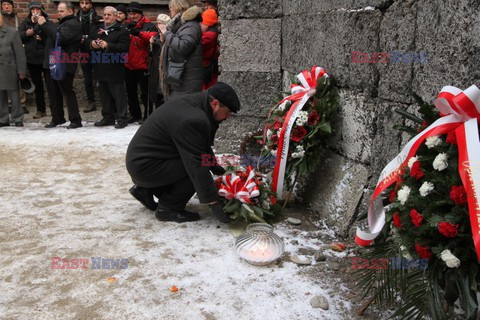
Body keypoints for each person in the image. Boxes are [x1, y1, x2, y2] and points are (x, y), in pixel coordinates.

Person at [125, 82, 240, 223]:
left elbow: (200, 145)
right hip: (145, 166)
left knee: (196, 164)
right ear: (215, 104)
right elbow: (196, 163)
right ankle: (168, 208)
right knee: (193, 170)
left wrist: (216, 168)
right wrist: (214, 202)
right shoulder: (193, 119)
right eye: (227, 112)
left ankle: (145, 190)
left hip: (144, 161)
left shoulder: (196, 104)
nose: (227, 117)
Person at [37, 1, 83, 129]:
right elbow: (47, 34)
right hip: (54, 62)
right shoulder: (60, 24)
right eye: (58, 11)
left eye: (62, 11)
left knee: (67, 91)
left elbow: (60, 38)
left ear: (70, 11)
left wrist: (46, 24)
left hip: (65, 63)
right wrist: (40, 23)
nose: (59, 13)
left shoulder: (73, 24)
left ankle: (75, 119)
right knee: (53, 92)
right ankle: (57, 118)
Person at [87, 6, 130, 129]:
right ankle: (108, 117)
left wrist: (108, 45)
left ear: (115, 16)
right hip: (99, 65)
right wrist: (92, 44)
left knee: (118, 94)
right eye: (104, 14)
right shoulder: (97, 28)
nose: (106, 17)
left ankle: (122, 118)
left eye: (109, 15)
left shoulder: (122, 30)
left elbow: (124, 47)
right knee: (104, 94)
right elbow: (87, 40)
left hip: (114, 67)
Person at [158, 1, 203, 100]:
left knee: (182, 110)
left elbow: (183, 46)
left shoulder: (190, 25)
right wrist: (163, 41)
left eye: (171, 7)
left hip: (186, 79)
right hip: (178, 77)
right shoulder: (179, 25)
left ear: (179, 7)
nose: (170, 10)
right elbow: (172, 47)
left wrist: (166, 33)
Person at [124, 1, 157, 124]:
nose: (132, 16)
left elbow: (153, 38)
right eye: (130, 14)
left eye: (134, 14)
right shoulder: (126, 25)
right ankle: (135, 114)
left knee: (145, 93)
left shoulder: (149, 25)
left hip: (143, 65)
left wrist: (139, 33)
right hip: (128, 64)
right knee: (131, 92)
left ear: (140, 14)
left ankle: (148, 115)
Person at [19, 2, 51, 119]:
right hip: (32, 59)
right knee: (37, 86)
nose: (35, 12)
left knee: (51, 85)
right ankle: (40, 110)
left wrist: (42, 38)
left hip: (45, 58)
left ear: (41, 11)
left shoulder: (45, 21)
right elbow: (18, 37)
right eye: (33, 10)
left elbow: (52, 36)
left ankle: (54, 109)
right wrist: (26, 34)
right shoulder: (25, 23)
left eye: (37, 9)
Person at [0, 12, 26, 127]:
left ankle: (17, 118)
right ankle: (3, 119)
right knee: (0, 95)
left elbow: (20, 53)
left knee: (15, 95)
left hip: (10, 68)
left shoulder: (12, 32)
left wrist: (21, 71)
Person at [77, 0, 101, 113]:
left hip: (97, 51)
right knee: (87, 79)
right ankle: (90, 102)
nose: (84, 5)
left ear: (91, 4)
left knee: (101, 77)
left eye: (87, 3)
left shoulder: (97, 18)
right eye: (82, 3)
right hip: (84, 52)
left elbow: (100, 32)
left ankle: (106, 102)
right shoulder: (76, 18)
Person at [147, 13, 170, 110]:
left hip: (166, 71)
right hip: (156, 72)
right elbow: (150, 54)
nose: (158, 26)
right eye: (157, 23)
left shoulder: (170, 35)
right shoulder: (156, 36)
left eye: (160, 23)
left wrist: (161, 42)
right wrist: (151, 45)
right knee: (157, 96)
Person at [200, 9, 219, 90]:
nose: (200, 25)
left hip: (208, 69)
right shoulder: (212, 32)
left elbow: (197, 45)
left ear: (207, 25)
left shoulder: (208, 36)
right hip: (209, 68)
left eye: (202, 23)